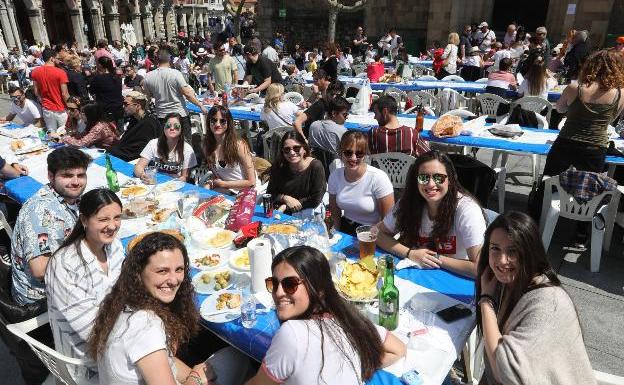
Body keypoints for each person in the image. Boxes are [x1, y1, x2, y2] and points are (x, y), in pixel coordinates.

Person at [88, 232, 250, 385]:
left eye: (179, 269)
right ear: (139, 272)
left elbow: (166, 359)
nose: (173, 280)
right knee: (239, 358)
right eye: (162, 271)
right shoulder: (145, 326)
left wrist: (193, 376)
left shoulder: (123, 303)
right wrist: (196, 379)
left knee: (234, 360)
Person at [245, 245, 406, 385]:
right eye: (273, 283)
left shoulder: (291, 333)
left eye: (290, 284)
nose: (278, 293)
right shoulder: (348, 317)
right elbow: (398, 349)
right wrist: (356, 367)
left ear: (320, 289)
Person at [476, 211, 596, 385]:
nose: (502, 260)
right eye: (495, 248)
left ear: (530, 252)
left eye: (513, 251)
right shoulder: (505, 283)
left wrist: (486, 300)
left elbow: (503, 371)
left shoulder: (548, 303)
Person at [45, 188, 124, 384]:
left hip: (119, 335)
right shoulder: (65, 264)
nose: (112, 226)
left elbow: (128, 292)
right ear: (84, 220)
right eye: (103, 220)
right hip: (89, 362)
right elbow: (92, 331)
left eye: (117, 218)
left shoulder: (114, 247)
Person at [376, 150, 487, 278]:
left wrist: (434, 258)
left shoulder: (467, 211)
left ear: (450, 179)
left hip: (454, 278)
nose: (431, 184)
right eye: (423, 178)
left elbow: (480, 268)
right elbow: (377, 233)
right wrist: (409, 253)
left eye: (438, 177)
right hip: (415, 274)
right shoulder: (408, 202)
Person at [10, 147, 92, 305]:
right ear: (51, 176)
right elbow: (40, 270)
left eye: (81, 175)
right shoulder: (41, 212)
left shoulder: (67, 198)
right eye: (67, 175)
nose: (76, 182)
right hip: (43, 298)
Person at [328, 131, 394, 235]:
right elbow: (335, 214)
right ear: (341, 152)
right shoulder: (335, 176)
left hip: (372, 231)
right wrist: (335, 234)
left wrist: (375, 237)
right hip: (346, 227)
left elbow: (388, 221)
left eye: (359, 154)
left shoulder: (378, 178)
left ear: (365, 155)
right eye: (348, 153)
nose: (353, 158)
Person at [142, 49, 209, 143]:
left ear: (157, 60)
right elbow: (187, 94)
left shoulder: (148, 76)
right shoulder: (176, 74)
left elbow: (148, 97)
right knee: (185, 145)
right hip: (179, 114)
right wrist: (200, 105)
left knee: (166, 145)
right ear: (169, 60)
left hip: (162, 116)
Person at [266, 131, 326, 216]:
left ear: (304, 149)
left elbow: (316, 198)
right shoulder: (279, 166)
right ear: (282, 152)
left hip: (307, 213)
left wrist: (286, 207)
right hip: (281, 212)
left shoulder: (316, 166)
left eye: (296, 148)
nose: (292, 153)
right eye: (287, 149)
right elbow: (269, 193)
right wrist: (285, 198)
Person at [202, 105, 256, 193]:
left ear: (229, 123)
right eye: (213, 120)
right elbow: (217, 174)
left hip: (244, 192)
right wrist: (210, 183)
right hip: (224, 190)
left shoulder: (238, 145)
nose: (217, 124)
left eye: (222, 121)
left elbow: (252, 182)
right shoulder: (206, 145)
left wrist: (223, 184)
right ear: (208, 122)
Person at [135, 113, 197, 182]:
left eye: (176, 126)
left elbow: (185, 177)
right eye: (168, 125)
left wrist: (170, 185)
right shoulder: (153, 144)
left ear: (181, 129)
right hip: (153, 181)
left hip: (173, 185)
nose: (172, 128)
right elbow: (139, 166)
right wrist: (142, 175)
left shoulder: (187, 149)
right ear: (164, 128)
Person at [109, 91, 160, 162]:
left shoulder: (148, 123)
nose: (123, 106)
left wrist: (115, 151)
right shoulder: (134, 119)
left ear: (138, 106)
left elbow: (139, 150)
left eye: (126, 104)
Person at [30, 48, 69, 132]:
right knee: (65, 134)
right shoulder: (61, 72)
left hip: (47, 109)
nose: (59, 61)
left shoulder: (35, 72)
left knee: (52, 135)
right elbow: (65, 94)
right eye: (57, 58)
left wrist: (43, 102)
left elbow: (36, 92)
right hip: (61, 109)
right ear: (52, 58)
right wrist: (70, 108)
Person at [52, 102, 119, 149]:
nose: (81, 115)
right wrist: (64, 137)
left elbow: (81, 144)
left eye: (83, 113)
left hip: (108, 152)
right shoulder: (94, 123)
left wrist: (64, 138)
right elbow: (82, 136)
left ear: (90, 114)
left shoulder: (99, 127)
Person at [89, 56, 124, 131]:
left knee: (109, 136)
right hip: (119, 109)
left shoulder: (98, 78)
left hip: (106, 111)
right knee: (120, 134)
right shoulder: (117, 77)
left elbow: (91, 91)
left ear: (100, 65)